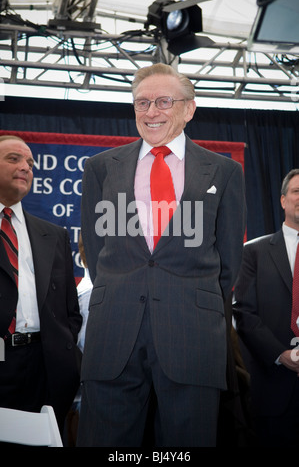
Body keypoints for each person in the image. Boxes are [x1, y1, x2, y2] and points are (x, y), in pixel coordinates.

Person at [77, 63, 246, 447]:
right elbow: (97, 246)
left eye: (163, 101)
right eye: (141, 103)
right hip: (114, 330)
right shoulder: (101, 168)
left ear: (189, 109)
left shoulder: (223, 171)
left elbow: (228, 260)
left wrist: (196, 304)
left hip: (193, 333)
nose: (150, 112)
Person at [0, 135, 82, 435]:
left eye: (30, 163)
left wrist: (64, 356)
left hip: (44, 369)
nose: (25, 167)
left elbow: (69, 311)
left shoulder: (54, 235)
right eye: (14, 159)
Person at [233, 169, 299, 447]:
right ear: (283, 200)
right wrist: (280, 354)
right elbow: (244, 314)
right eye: (297, 191)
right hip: (273, 389)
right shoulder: (253, 253)